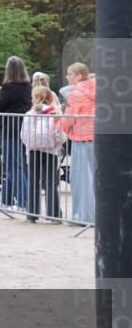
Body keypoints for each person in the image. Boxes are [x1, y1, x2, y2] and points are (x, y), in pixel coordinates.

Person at [0, 56, 32, 210]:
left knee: (13, 167)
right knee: (15, 165)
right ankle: (7, 200)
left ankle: (23, 202)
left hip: (11, 131)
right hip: (23, 130)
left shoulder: (9, 88)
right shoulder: (28, 87)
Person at [21, 86, 63, 222]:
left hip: (34, 149)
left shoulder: (30, 113)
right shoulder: (55, 112)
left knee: (34, 181)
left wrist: (29, 145)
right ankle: (54, 214)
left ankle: (32, 214)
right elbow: (61, 133)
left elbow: (24, 134)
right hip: (51, 150)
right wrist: (57, 146)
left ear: (37, 98)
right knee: (51, 182)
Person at [61, 63, 95, 224]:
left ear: (79, 76)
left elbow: (68, 120)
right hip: (99, 138)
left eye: (70, 74)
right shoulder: (100, 90)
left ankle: (82, 216)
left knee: (80, 180)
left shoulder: (75, 93)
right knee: (95, 179)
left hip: (81, 138)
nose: (67, 77)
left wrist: (64, 129)